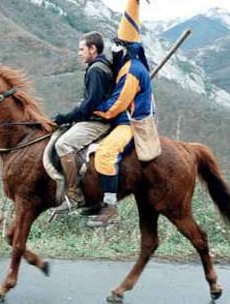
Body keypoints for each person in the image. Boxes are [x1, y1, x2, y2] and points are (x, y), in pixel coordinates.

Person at [86, 0, 154, 227]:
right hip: (120, 119)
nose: (113, 48)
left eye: (117, 44)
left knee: (105, 153)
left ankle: (110, 208)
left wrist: (93, 109)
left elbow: (117, 104)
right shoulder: (126, 67)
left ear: (125, 48)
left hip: (130, 123)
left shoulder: (133, 70)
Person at [53, 31, 114, 213]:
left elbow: (91, 104)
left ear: (93, 49)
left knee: (63, 144)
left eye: (82, 49)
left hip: (97, 122)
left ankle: (74, 195)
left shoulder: (96, 70)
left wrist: (68, 117)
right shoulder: (101, 66)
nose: (79, 53)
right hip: (95, 118)